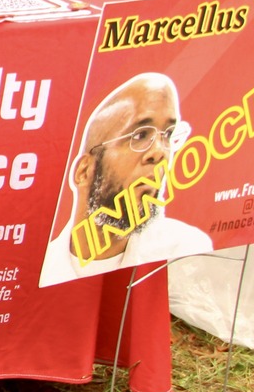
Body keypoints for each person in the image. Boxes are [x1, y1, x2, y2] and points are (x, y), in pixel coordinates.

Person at [41, 72, 213, 284]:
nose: (160, 153)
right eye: (140, 135)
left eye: (167, 135)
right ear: (84, 171)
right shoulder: (38, 274)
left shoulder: (183, 252)